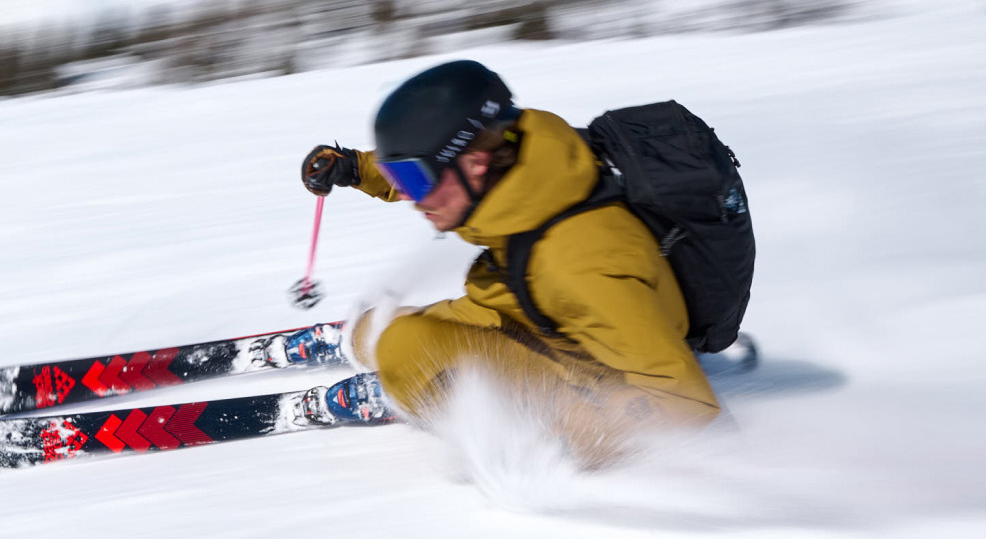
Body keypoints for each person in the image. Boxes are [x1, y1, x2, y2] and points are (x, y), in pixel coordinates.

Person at [301, 60, 720, 466]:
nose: (412, 197)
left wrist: (570, 439)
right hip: (530, 303)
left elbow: (689, 404)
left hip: (592, 375)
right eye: (398, 177)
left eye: (412, 179)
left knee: (402, 352)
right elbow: (434, 161)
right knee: (376, 331)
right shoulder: (523, 160)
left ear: (476, 162)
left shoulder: (582, 263)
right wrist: (357, 168)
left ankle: (416, 384)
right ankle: (384, 351)